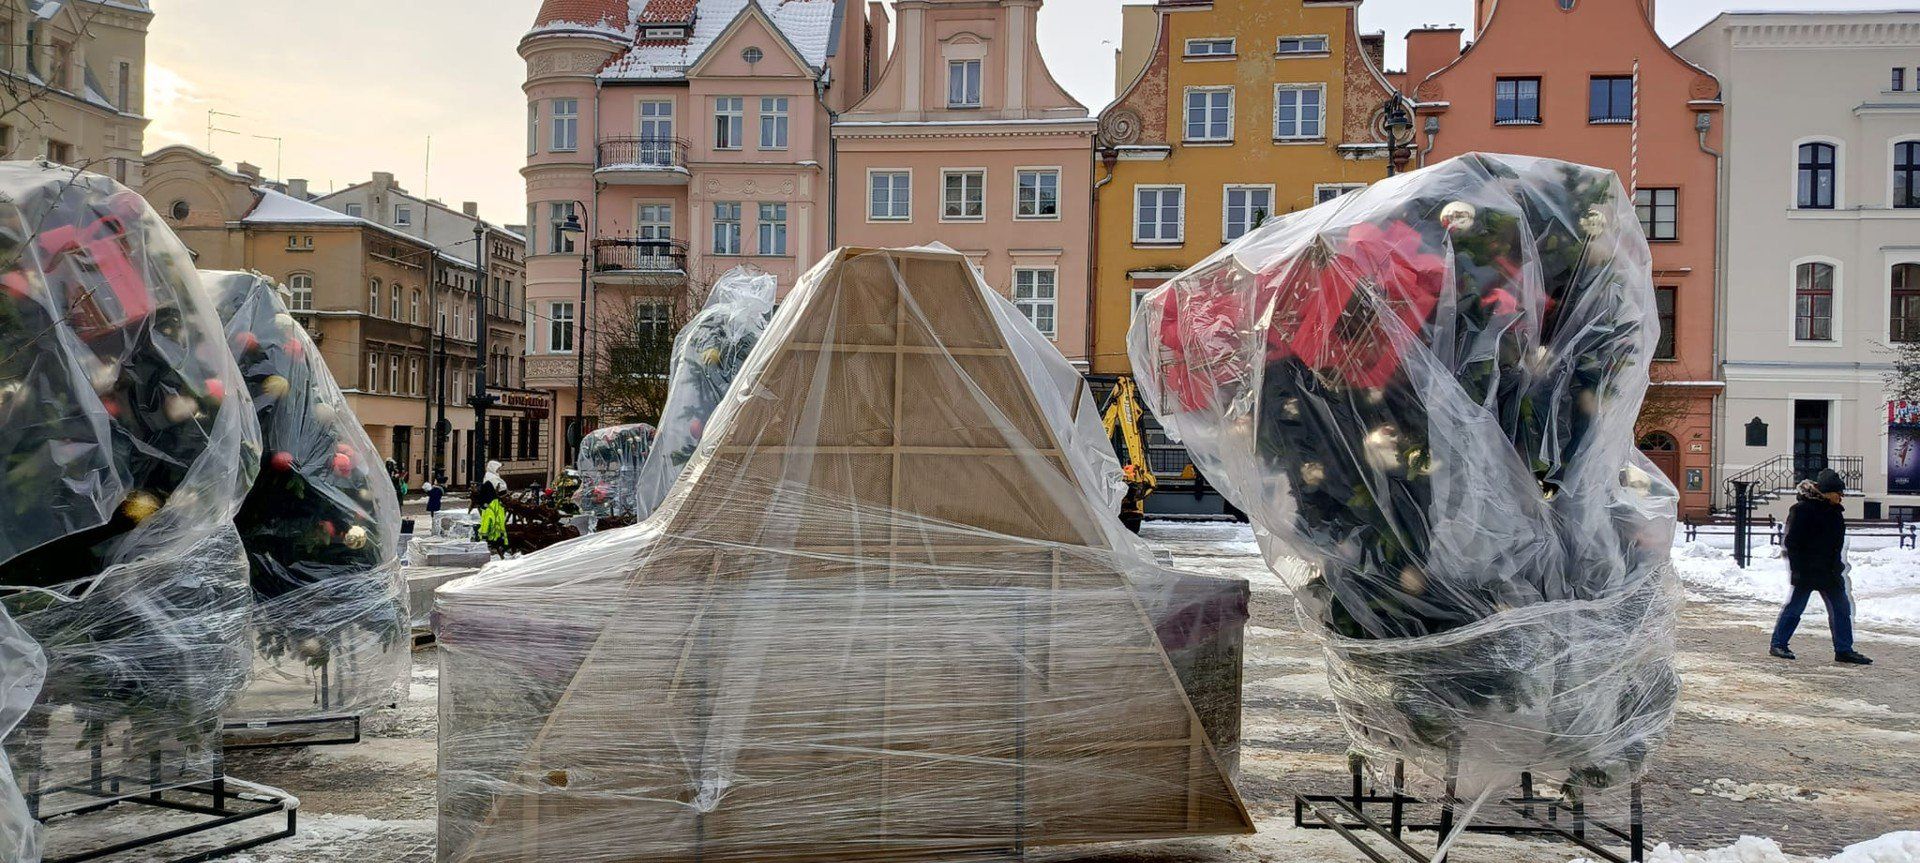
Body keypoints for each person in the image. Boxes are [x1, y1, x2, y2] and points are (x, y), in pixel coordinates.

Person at [1771, 469, 1873, 665]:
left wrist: (1837, 566)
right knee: (1795, 608)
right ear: (1826, 492)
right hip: (1808, 571)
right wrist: (1798, 569)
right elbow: (1792, 543)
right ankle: (1778, 643)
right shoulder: (1802, 510)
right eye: (1839, 492)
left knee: (1842, 609)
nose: (1842, 496)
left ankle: (1844, 649)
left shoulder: (1835, 512)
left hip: (1830, 572)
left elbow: (1835, 545)